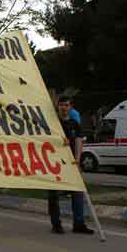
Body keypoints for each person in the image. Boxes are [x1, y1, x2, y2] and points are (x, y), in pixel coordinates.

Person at [48, 95, 94, 235]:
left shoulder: (74, 123)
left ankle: (78, 224)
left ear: (70, 107)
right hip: (55, 163)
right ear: (57, 106)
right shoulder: (52, 123)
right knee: (54, 194)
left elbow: (79, 141)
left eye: (66, 105)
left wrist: (77, 160)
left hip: (71, 163)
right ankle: (56, 224)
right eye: (61, 105)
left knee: (77, 193)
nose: (64, 107)